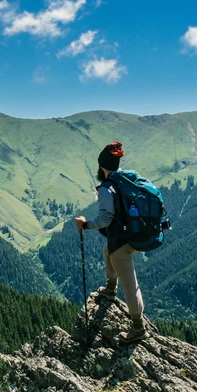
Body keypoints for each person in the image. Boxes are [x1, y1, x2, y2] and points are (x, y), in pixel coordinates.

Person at [75, 141, 147, 343]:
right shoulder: (126, 179)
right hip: (135, 233)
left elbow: (106, 219)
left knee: (130, 284)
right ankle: (110, 289)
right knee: (108, 250)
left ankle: (138, 327)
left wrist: (85, 224)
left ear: (101, 166)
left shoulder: (107, 188)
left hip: (122, 241)